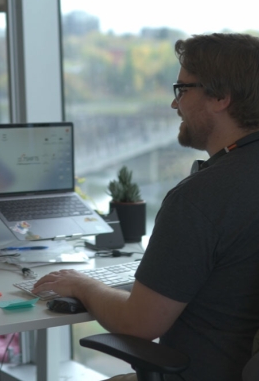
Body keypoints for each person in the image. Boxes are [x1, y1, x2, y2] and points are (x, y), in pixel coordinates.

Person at [33, 33, 259, 381]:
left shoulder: (200, 198)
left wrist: (82, 283)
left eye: (183, 89)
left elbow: (138, 324)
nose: (175, 104)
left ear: (221, 98)